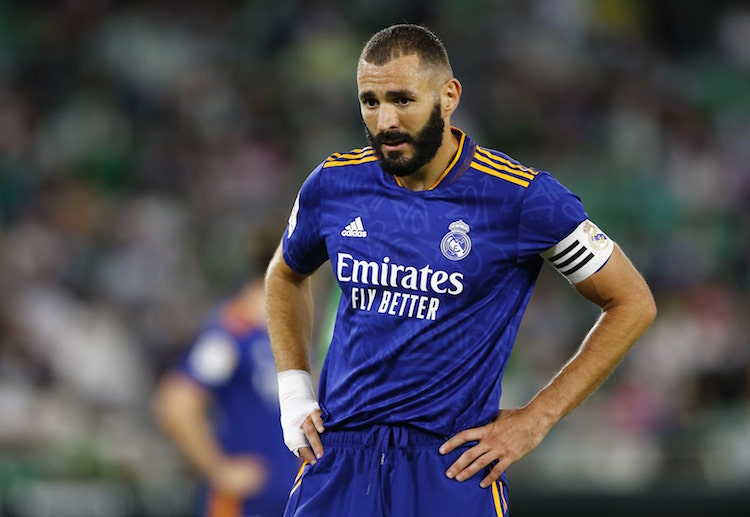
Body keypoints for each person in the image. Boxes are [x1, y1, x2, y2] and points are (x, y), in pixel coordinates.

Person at [264, 23, 656, 517]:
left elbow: (631, 301)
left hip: (450, 467)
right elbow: (285, 274)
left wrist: (538, 417)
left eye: (402, 100)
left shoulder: (521, 197)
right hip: (339, 459)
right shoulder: (334, 183)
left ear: (448, 96)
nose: (385, 120)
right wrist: (294, 393)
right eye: (370, 102)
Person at [153, 229, 301, 517]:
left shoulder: (284, 332)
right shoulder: (231, 333)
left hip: (285, 500)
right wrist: (219, 469)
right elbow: (176, 403)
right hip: (244, 505)